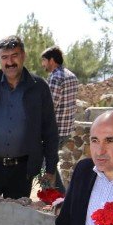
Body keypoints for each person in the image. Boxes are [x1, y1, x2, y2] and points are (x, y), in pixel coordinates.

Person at [0, 35, 60, 199]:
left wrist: (51, 169)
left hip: (22, 171)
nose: (9, 62)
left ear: (23, 55)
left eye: (14, 56)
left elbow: (50, 131)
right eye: (4, 57)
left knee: (17, 221)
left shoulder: (39, 88)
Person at [42, 46, 80, 193]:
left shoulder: (56, 77)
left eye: (44, 61)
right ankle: (57, 196)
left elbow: (49, 106)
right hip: (66, 130)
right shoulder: (72, 75)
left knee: (46, 165)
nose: (43, 64)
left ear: (52, 60)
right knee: (50, 162)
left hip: (54, 130)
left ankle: (54, 197)